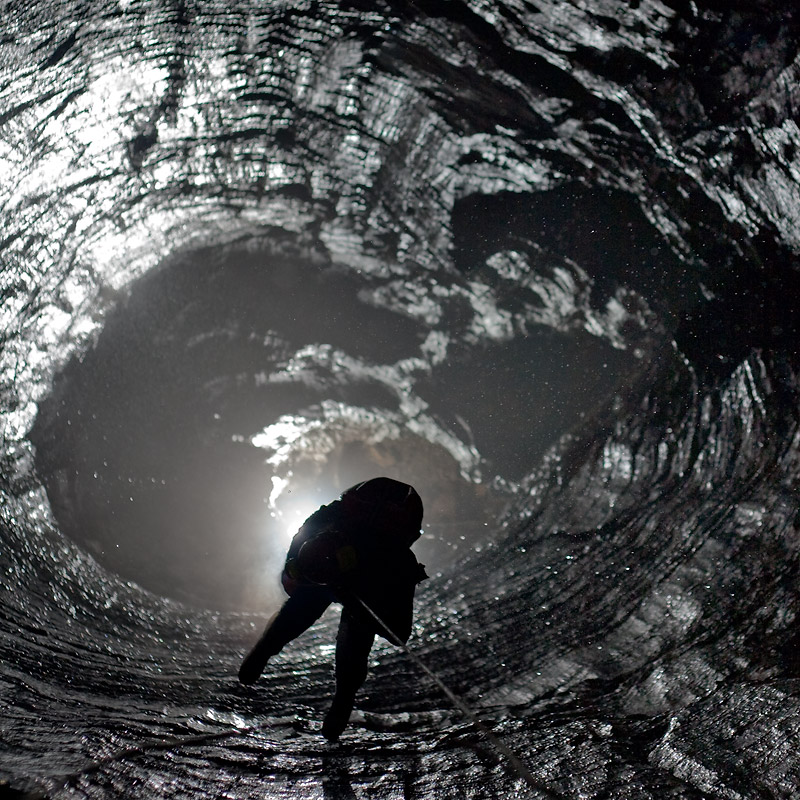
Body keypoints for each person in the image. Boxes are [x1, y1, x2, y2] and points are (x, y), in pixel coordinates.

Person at [238, 477, 427, 741]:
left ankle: (344, 697)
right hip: (334, 565)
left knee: (356, 635)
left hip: (366, 585)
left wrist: (357, 602)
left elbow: (399, 634)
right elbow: (298, 560)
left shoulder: (394, 562)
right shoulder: (327, 523)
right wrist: (296, 570)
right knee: (306, 601)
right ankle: (267, 647)